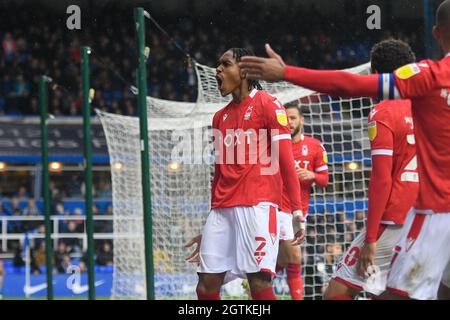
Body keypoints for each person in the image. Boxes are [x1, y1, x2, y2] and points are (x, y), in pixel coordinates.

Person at [239, 1, 450, 300]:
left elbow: (351, 85)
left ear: (437, 32)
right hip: (422, 214)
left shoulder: (425, 80)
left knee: (352, 293)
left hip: (424, 216)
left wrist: (287, 72)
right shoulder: (417, 98)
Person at [185, 48, 303, 300]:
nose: (218, 69)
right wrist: (211, 220)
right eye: (217, 64)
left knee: (258, 282)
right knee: (205, 286)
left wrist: (296, 211)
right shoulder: (219, 117)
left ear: (245, 71)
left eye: (225, 64)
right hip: (222, 209)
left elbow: (286, 163)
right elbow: (219, 172)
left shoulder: (270, 105)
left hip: (257, 206)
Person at [321, 39, 419, 300]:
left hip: (393, 219)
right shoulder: (428, 107)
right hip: (425, 218)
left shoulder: (383, 111)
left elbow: (381, 180)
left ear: (376, 76)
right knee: (381, 291)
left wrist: (371, 238)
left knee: (336, 291)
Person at [276, 103, 329, 300]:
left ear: (301, 120)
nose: (288, 122)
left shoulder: (315, 146)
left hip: (301, 211)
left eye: (292, 118)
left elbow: (325, 180)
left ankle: (258, 283)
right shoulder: (276, 145)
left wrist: (311, 175)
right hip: (280, 208)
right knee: (295, 257)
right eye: (285, 118)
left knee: (286, 259)